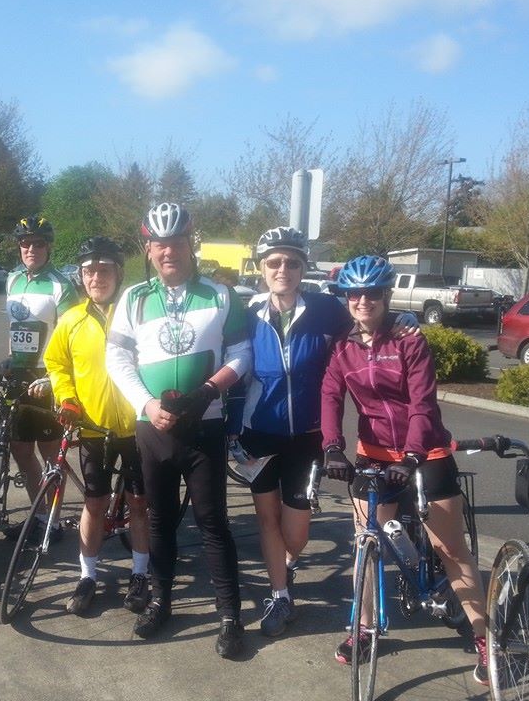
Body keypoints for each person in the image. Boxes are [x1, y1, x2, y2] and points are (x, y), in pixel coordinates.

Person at [320, 254, 489, 685]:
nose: (363, 301)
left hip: (426, 452)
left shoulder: (408, 339)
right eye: (354, 294)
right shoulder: (341, 346)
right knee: (365, 543)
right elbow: (331, 396)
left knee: (450, 549)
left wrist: (413, 454)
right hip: (373, 453)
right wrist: (332, 447)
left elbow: (422, 402)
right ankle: (363, 628)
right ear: (346, 297)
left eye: (372, 293)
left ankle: (485, 639)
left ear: (386, 294)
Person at [107, 202, 252, 659]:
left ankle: (230, 616)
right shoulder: (133, 298)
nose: (169, 251)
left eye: (177, 243)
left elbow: (242, 354)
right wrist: (147, 404)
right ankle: (161, 601)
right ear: (148, 249)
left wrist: (208, 390)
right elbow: (117, 359)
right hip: (153, 428)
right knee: (160, 520)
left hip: (203, 426)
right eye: (160, 244)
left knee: (213, 523)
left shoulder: (221, 295)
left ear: (191, 245)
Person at [227, 226, 353, 638]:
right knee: (267, 519)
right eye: (274, 262)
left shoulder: (326, 310)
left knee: (295, 532)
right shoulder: (247, 314)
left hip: (307, 436)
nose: (283, 269)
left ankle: (288, 563)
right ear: (262, 268)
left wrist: (402, 321)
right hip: (258, 433)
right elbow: (232, 370)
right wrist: (231, 431)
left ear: (302, 268)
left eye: (292, 263)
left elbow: (366, 326)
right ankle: (279, 595)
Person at [43, 236, 152, 616]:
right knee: (94, 503)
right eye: (88, 271)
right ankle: (87, 576)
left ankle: (140, 574)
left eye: (104, 270)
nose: (96, 278)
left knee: (139, 504)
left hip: (137, 426)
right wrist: (67, 397)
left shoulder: (138, 314)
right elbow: (56, 363)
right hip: (93, 428)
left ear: (118, 273)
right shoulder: (71, 319)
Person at [3, 216, 78, 539]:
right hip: (18, 375)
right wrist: (9, 358)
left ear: (48, 247)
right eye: (25, 243)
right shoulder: (12, 279)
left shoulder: (61, 285)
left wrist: (54, 378)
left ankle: (54, 522)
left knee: (51, 454)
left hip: (48, 378)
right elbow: (15, 328)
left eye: (38, 243)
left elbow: (72, 338)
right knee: (20, 449)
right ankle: (39, 513)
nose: (31, 248)